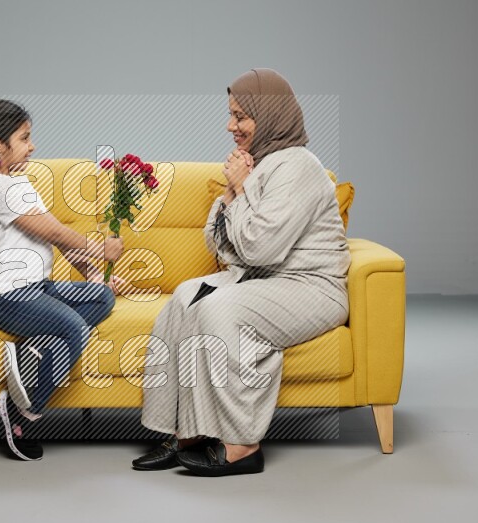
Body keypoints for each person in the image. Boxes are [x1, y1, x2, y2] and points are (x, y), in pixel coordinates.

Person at [133, 69, 351, 476]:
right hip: (264, 278)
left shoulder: (300, 166)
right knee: (184, 297)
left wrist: (242, 188)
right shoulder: (260, 163)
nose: (230, 126)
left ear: (269, 116)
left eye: (240, 117)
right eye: (231, 115)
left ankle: (242, 444)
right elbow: (221, 247)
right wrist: (234, 193)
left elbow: (261, 246)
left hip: (310, 287)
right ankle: (186, 431)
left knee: (222, 311)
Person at [0, 99, 126, 461]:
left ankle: (32, 349)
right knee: (74, 327)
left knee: (101, 298)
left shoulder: (18, 183)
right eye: (25, 138)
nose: (32, 146)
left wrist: (92, 275)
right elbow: (50, 229)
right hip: (4, 295)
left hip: (35, 289)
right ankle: (21, 415)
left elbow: (53, 234)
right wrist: (99, 249)